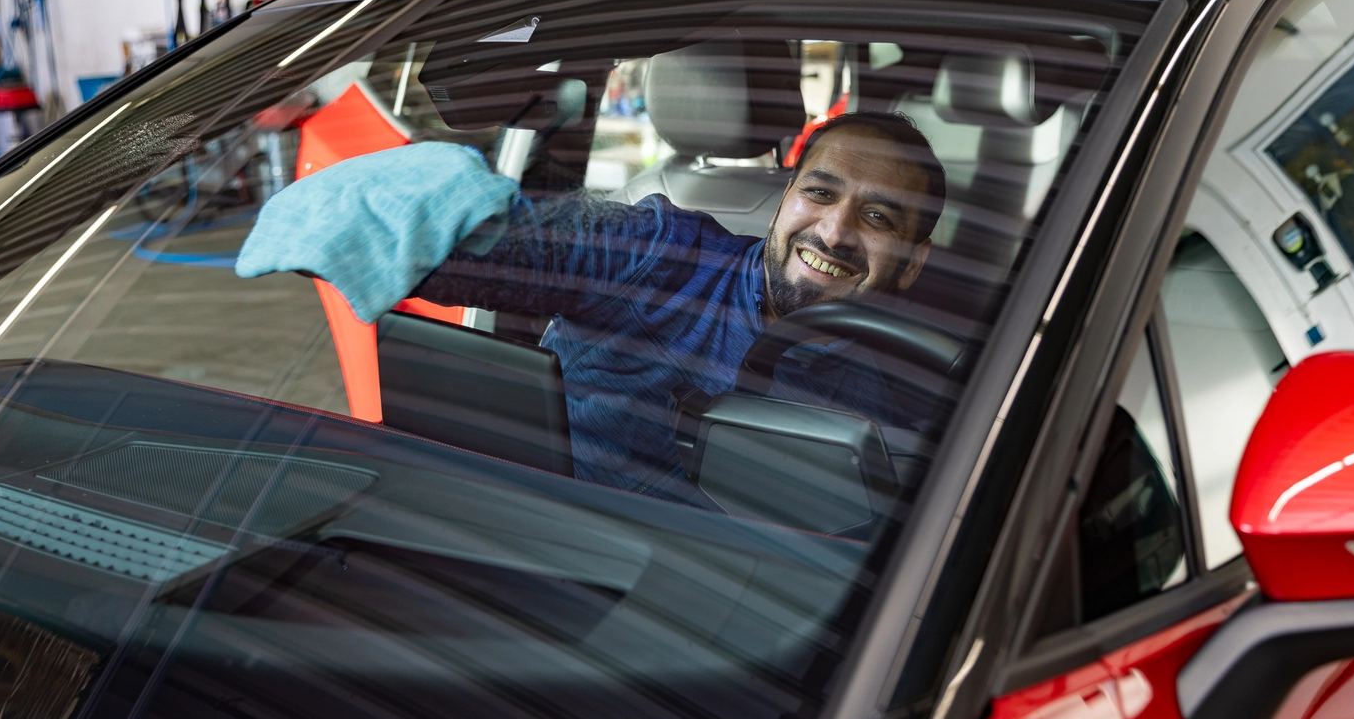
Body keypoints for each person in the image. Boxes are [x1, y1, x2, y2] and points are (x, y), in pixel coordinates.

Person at [237, 111, 947, 505]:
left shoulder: (918, 394)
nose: (833, 231)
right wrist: (442, 215)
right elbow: (507, 249)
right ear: (783, 202)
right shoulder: (662, 253)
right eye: (819, 194)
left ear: (914, 262)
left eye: (879, 219)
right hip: (561, 558)